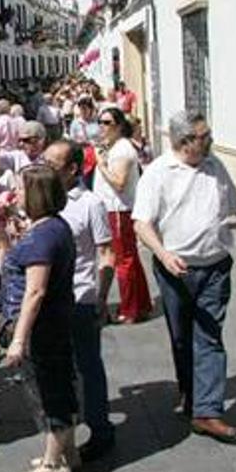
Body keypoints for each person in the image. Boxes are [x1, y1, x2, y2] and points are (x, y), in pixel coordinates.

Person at [132, 111, 236, 441]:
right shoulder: (157, 173)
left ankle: (207, 412)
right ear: (185, 142)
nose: (210, 140)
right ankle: (191, 392)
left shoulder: (215, 166)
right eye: (204, 136)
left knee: (209, 337)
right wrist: (164, 255)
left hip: (215, 268)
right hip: (176, 272)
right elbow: (142, 223)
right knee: (182, 337)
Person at [2, 165, 79, 472]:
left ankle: (52, 464)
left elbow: (35, 291)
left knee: (50, 393)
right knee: (58, 387)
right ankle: (67, 453)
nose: (15, 193)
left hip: (44, 329)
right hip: (55, 323)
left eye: (20, 188)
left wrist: (18, 339)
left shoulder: (45, 235)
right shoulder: (51, 227)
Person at [44, 140, 116, 461]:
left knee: (87, 367)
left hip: (80, 297)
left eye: (52, 165)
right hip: (48, 299)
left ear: (72, 169)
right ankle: (63, 439)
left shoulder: (91, 204)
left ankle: (100, 429)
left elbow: (106, 253)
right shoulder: (44, 200)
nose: (44, 169)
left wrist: (102, 297)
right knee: (58, 371)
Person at [93, 107, 152, 323]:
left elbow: (119, 182)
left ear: (118, 126)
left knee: (124, 260)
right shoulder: (114, 147)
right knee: (130, 258)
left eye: (107, 122)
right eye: (100, 122)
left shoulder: (122, 150)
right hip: (113, 208)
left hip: (118, 209)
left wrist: (101, 165)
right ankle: (141, 303)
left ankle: (130, 309)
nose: (102, 126)